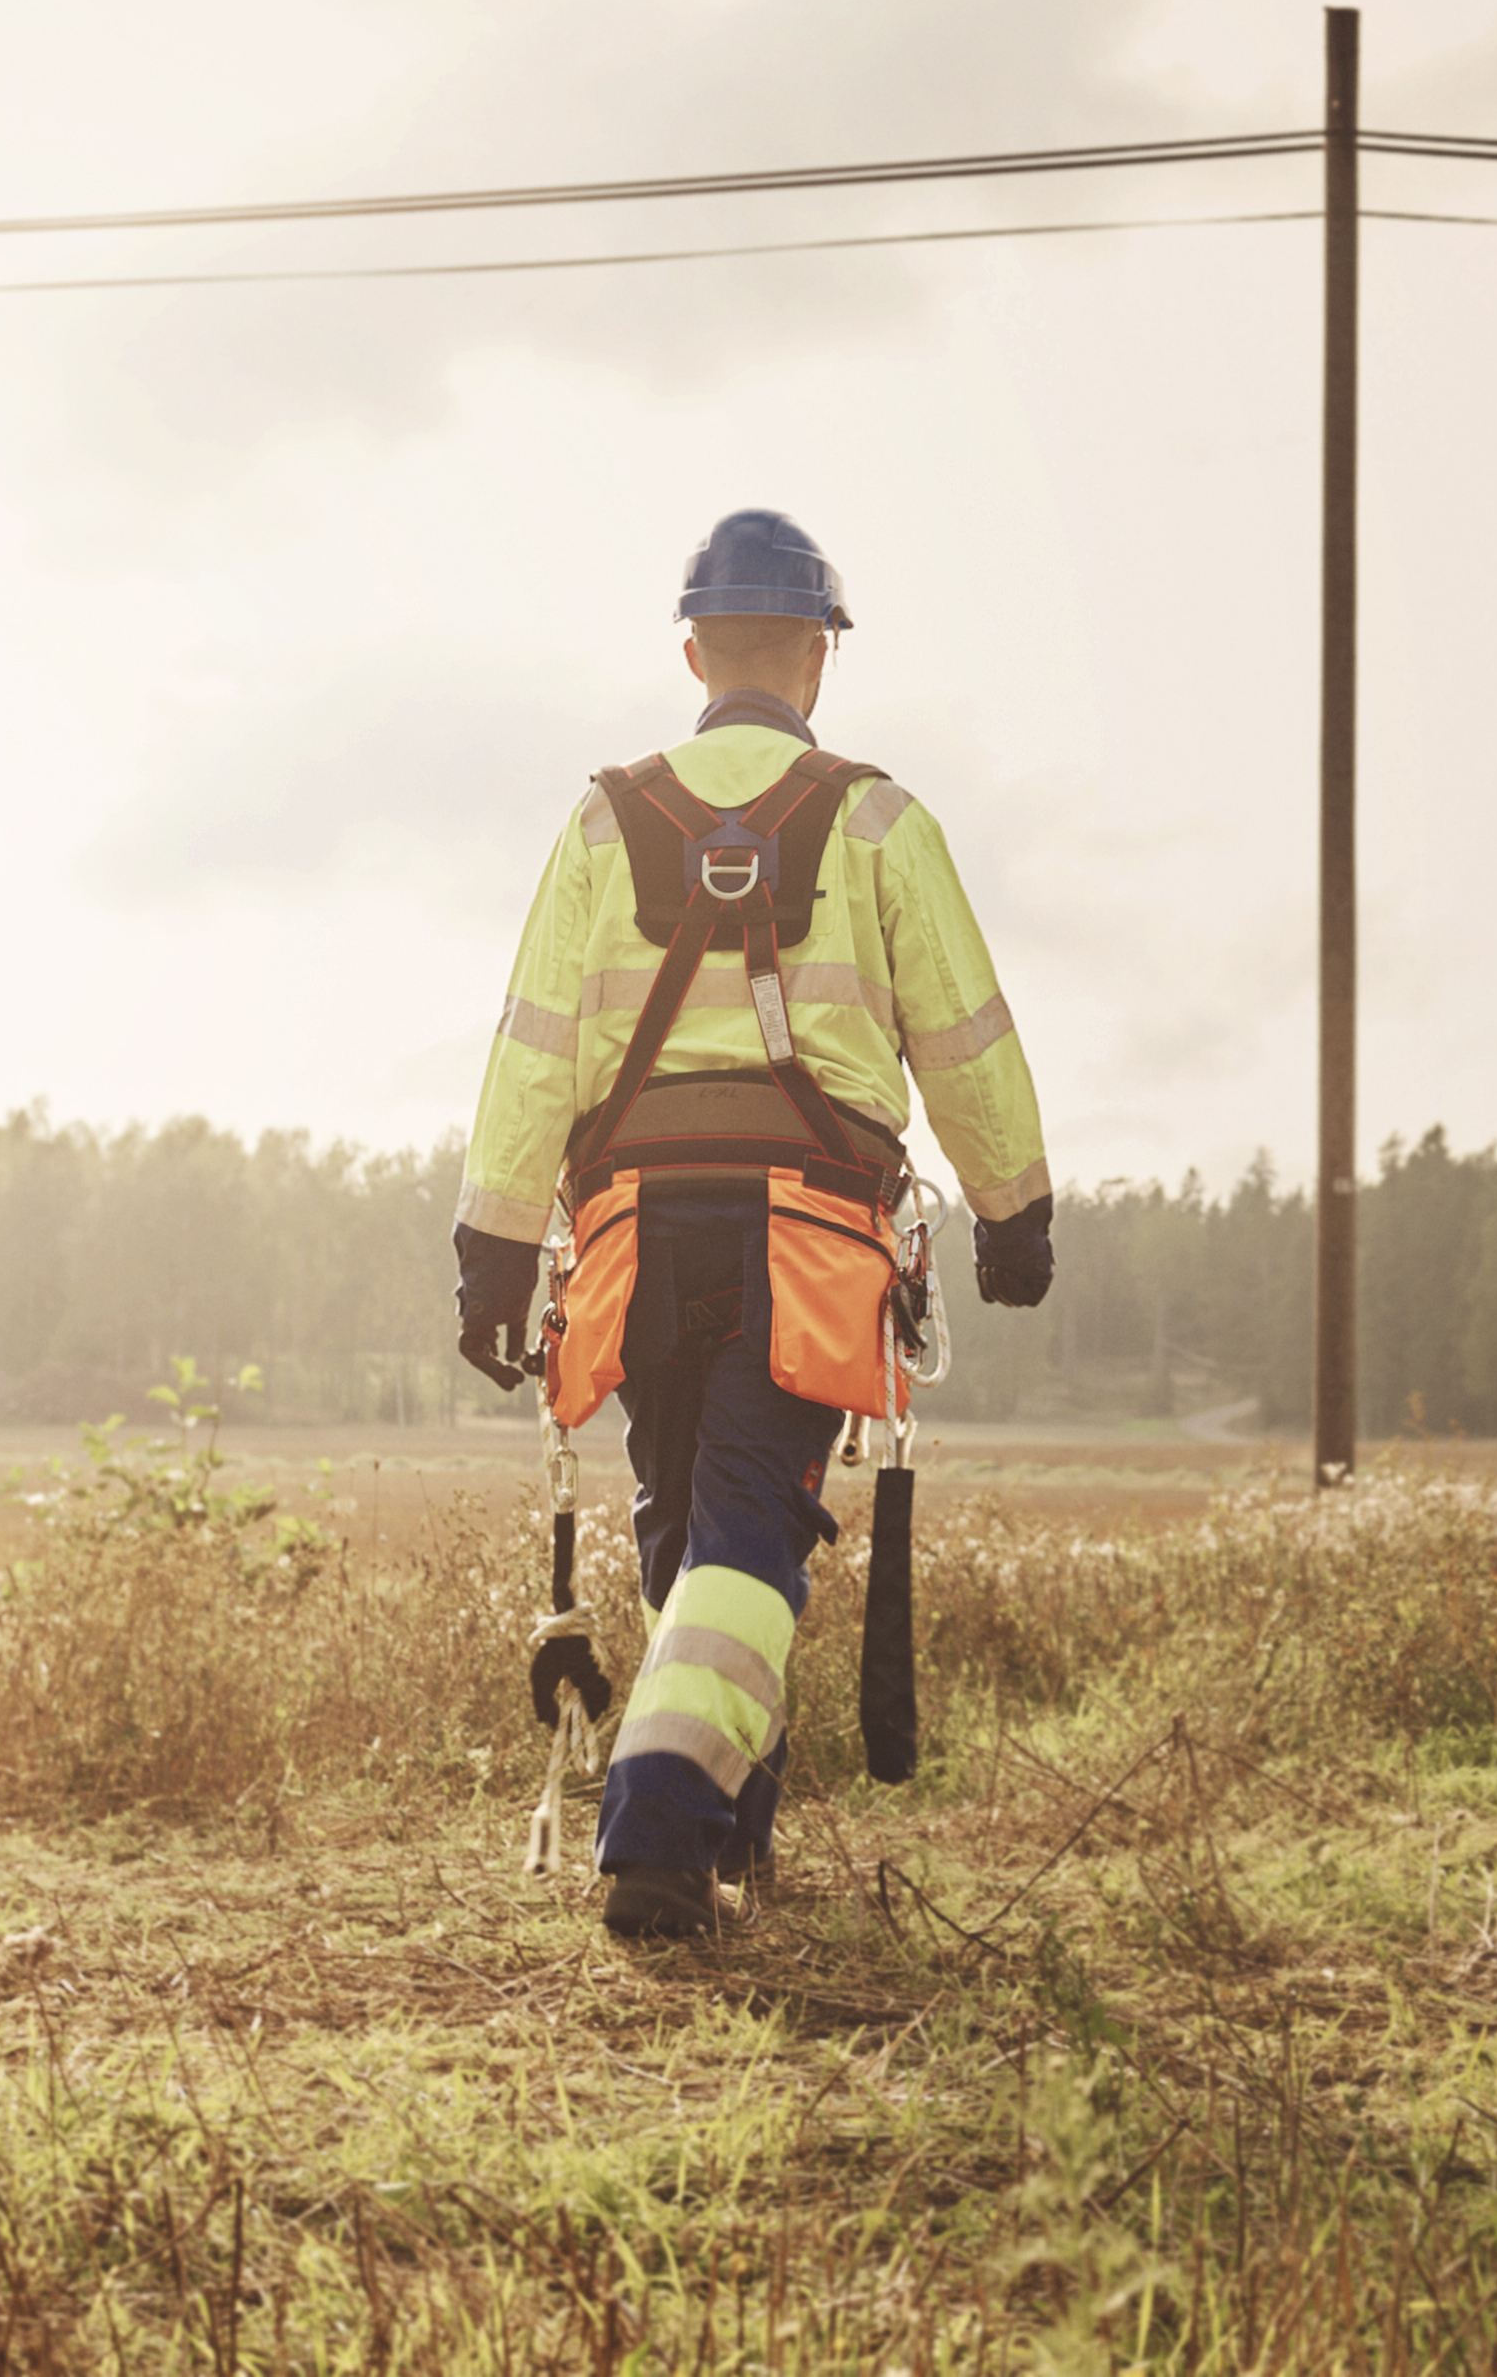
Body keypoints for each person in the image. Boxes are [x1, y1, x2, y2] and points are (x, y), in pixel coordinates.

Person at [451, 508, 1054, 1939]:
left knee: (688, 1530)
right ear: (817, 660)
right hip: (807, 1242)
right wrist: (1011, 1207)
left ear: (692, 650)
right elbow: (963, 1037)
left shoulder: (605, 820)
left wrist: (490, 1244)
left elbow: (533, 1050)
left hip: (631, 1237)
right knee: (739, 1538)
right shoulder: (881, 820)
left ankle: (730, 1832)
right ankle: (663, 1832)